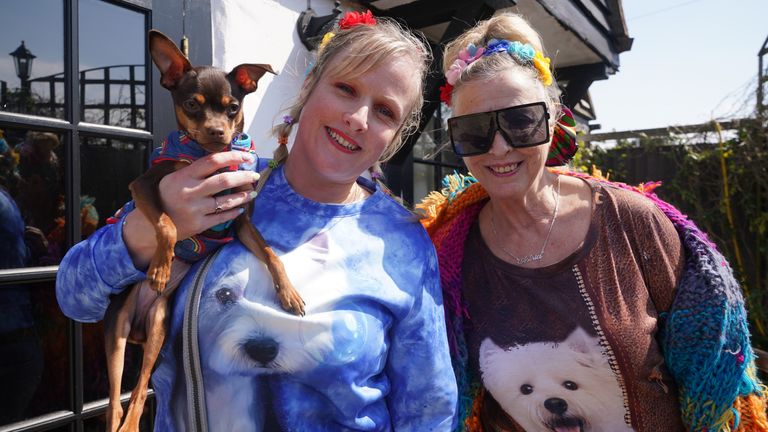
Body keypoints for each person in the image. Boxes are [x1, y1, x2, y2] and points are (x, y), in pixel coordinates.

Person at [56, 11, 457, 431]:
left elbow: (429, 410)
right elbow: (74, 298)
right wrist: (148, 229)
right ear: (308, 87)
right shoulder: (215, 182)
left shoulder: (402, 243)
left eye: (386, 112)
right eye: (345, 88)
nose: (358, 117)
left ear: (394, 137)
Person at [418, 12, 767, 432]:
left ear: (552, 119)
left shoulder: (631, 222)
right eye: (474, 131)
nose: (499, 146)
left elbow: (713, 372)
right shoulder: (448, 255)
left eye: (520, 121)